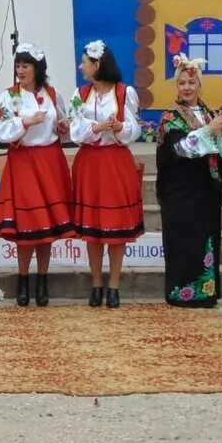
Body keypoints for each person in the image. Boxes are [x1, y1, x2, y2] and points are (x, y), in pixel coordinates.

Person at [0, 42, 78, 307]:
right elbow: (0, 130)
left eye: (25, 65)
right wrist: (25, 122)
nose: (20, 70)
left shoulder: (53, 93)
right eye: (18, 65)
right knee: (27, 223)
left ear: (37, 68)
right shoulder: (9, 96)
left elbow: (65, 125)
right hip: (24, 161)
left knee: (46, 224)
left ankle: (42, 280)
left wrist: (64, 126)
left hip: (50, 160)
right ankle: (23, 279)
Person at [156, 54, 222, 308]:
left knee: (206, 239)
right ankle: (181, 292)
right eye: (182, 83)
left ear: (199, 85)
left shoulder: (208, 113)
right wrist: (211, 130)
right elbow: (181, 148)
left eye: (192, 82)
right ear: (176, 87)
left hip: (206, 191)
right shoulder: (171, 117)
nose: (187, 88)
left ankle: (207, 292)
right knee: (184, 240)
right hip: (180, 192)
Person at [70, 40, 145, 309]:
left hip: (115, 162)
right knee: (93, 229)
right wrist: (98, 127)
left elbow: (134, 131)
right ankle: (96, 284)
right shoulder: (80, 94)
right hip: (89, 162)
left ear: (97, 65)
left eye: (84, 62)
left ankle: (113, 285)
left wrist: (118, 127)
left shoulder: (125, 93)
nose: (81, 67)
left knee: (115, 227)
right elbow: (76, 131)